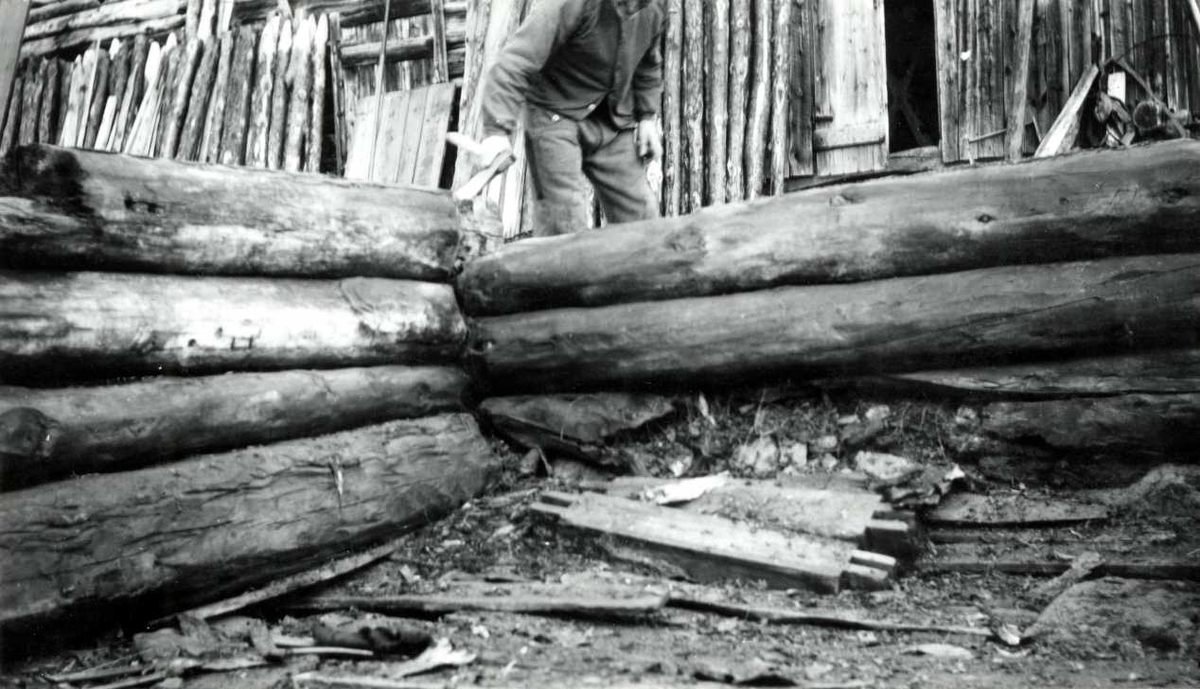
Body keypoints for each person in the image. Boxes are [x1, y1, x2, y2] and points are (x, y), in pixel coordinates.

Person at [473, 0, 666, 237]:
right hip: (554, 115)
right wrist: (496, 132)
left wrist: (647, 117)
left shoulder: (657, 6)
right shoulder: (568, 4)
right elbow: (514, 62)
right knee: (563, 227)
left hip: (611, 119)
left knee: (643, 220)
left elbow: (648, 63)